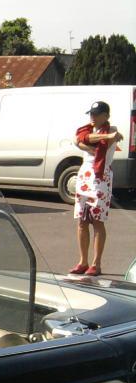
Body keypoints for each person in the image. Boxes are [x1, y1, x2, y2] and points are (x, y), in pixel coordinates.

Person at [69, 101, 121, 276]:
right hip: (85, 175)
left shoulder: (112, 129)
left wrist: (103, 138)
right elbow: (79, 140)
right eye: (91, 113)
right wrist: (92, 143)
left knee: (97, 221)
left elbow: (87, 141)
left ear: (105, 116)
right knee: (82, 220)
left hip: (101, 177)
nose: (92, 116)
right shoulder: (89, 129)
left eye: (96, 114)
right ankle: (82, 261)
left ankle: (96, 263)